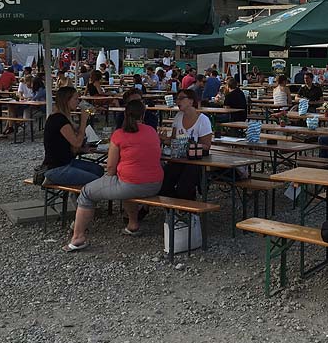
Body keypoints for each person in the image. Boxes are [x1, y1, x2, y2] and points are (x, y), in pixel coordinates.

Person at [64, 100, 165, 252]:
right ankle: (133, 224)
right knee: (124, 187)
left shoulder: (119, 135)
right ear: (143, 115)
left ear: (125, 115)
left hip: (131, 184)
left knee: (86, 193)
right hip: (155, 183)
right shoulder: (151, 131)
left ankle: (78, 236)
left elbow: (110, 168)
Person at [42, 87, 104, 185]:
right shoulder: (59, 119)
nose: (78, 102)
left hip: (67, 161)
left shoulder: (64, 117)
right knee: (96, 181)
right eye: (75, 99)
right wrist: (83, 120)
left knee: (98, 170)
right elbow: (77, 143)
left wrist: (83, 150)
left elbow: (64, 144)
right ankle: (80, 198)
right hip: (56, 168)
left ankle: (78, 194)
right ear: (66, 101)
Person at [161, 89, 212, 199]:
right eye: (177, 99)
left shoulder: (203, 120)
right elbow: (173, 140)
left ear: (191, 101)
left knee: (184, 187)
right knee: (163, 182)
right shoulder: (178, 117)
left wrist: (190, 145)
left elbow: (207, 146)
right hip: (179, 158)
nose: (177, 101)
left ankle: (191, 213)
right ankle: (175, 210)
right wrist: (164, 140)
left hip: (195, 160)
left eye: (181, 98)